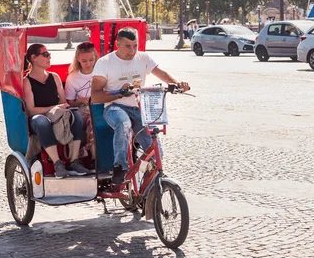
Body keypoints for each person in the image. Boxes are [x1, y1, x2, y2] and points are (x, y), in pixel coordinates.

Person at [91, 27, 190, 190]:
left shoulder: (143, 58)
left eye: (135, 46)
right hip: (114, 108)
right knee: (123, 123)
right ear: (118, 44)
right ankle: (120, 168)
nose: (132, 51)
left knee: (152, 141)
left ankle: (149, 182)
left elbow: (162, 74)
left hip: (138, 108)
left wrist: (178, 84)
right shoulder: (105, 63)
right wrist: (119, 93)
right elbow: (95, 96)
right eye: (128, 46)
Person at [23, 43, 90, 178]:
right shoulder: (27, 81)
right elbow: (31, 110)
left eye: (49, 54)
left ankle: (74, 160)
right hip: (38, 117)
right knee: (42, 122)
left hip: (57, 115)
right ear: (34, 58)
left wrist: (60, 108)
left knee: (75, 115)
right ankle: (57, 163)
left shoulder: (54, 77)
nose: (49, 57)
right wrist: (52, 109)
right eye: (45, 54)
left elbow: (63, 102)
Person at [65, 41, 98, 160]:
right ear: (78, 59)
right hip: (82, 109)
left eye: (91, 60)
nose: (88, 64)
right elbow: (69, 102)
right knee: (92, 118)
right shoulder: (73, 77)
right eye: (84, 61)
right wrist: (80, 100)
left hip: (100, 106)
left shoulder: (102, 71)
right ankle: (95, 159)